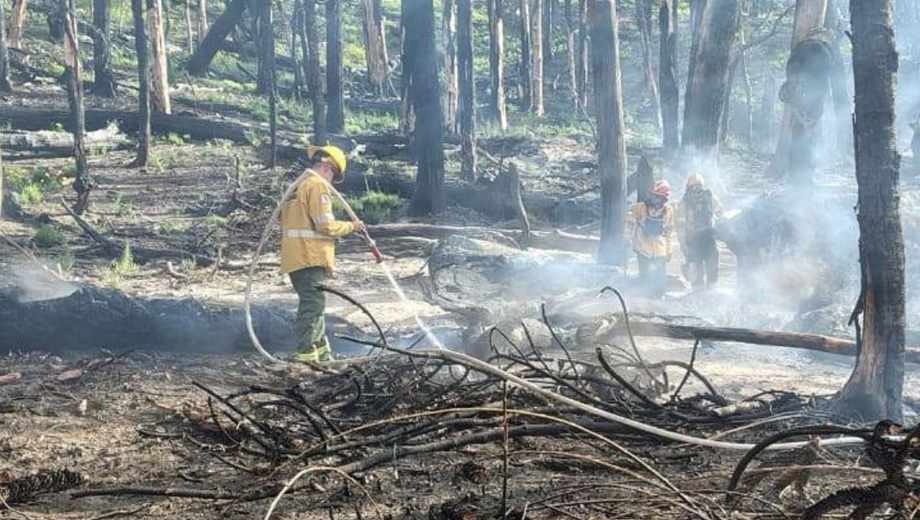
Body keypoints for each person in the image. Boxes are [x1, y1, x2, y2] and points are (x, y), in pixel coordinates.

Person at [280, 145, 366, 363]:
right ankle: (307, 356)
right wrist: (352, 226)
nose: (332, 180)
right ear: (327, 166)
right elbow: (325, 226)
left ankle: (322, 354)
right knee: (312, 305)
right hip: (309, 257)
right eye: (334, 174)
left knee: (315, 304)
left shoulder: (299, 186)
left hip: (296, 256)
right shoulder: (317, 186)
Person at [628, 180, 674, 297]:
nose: (655, 200)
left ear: (665, 198)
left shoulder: (668, 211)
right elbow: (629, 223)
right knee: (644, 279)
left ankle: (658, 303)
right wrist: (629, 241)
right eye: (654, 196)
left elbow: (669, 232)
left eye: (659, 197)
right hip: (643, 249)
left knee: (660, 284)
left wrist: (669, 251)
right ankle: (643, 304)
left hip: (660, 251)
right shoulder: (639, 208)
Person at [676, 174, 721, 290]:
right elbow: (680, 226)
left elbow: (721, 213)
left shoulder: (710, 198)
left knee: (712, 267)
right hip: (693, 240)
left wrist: (721, 231)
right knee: (696, 271)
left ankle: (712, 290)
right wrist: (683, 245)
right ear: (689, 188)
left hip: (708, 238)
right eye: (693, 187)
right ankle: (698, 292)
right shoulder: (684, 204)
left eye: (698, 186)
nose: (696, 190)